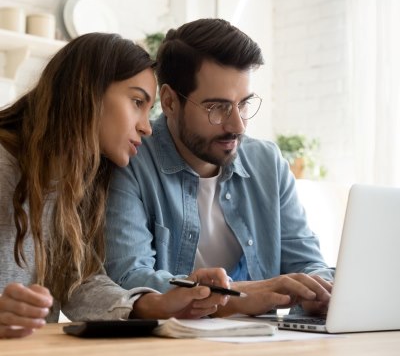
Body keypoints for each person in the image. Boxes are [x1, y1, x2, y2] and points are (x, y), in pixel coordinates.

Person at [0, 32, 230, 339]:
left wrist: (154, 304)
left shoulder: (76, 182)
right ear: (86, 91)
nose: (146, 127)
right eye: (137, 102)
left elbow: (78, 279)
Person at [104, 19, 335, 318]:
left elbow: (307, 261)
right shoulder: (129, 161)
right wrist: (238, 297)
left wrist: (319, 291)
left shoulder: (268, 163)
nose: (237, 125)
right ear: (171, 102)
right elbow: (128, 278)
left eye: (244, 104)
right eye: (218, 107)